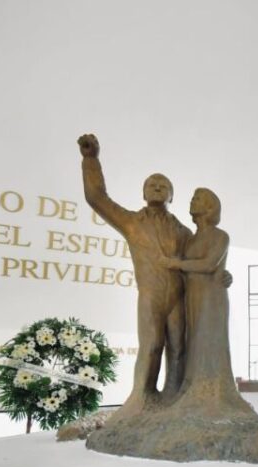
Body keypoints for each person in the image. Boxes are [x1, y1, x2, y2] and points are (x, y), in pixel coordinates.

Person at [78, 133, 190, 414]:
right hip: (151, 295)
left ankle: (175, 398)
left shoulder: (184, 232)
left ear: (172, 196)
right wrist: (91, 160)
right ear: (143, 193)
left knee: (178, 349)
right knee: (152, 346)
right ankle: (143, 398)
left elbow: (204, 261)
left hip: (179, 297)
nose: (157, 187)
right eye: (152, 184)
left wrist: (222, 277)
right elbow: (97, 198)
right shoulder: (131, 223)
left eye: (164, 185)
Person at [157, 188, 258, 421]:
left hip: (211, 298)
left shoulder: (220, 236)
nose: (192, 201)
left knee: (208, 341)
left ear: (211, 207)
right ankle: (192, 389)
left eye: (198, 199)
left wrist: (176, 263)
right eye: (192, 198)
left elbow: (210, 264)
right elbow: (191, 268)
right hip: (191, 296)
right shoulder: (190, 240)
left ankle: (212, 392)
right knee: (192, 342)